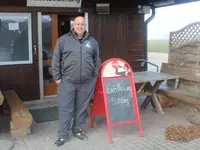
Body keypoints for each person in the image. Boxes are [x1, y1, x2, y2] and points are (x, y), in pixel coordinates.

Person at [52, 16, 101, 147]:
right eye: (77, 24)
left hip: (86, 82)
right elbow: (56, 60)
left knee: (81, 108)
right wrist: (57, 78)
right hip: (67, 82)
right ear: (73, 25)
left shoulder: (92, 42)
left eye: (82, 24)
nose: (80, 26)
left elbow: (97, 60)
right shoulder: (63, 40)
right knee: (65, 109)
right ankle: (62, 135)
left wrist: (94, 76)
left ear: (85, 26)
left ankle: (78, 130)